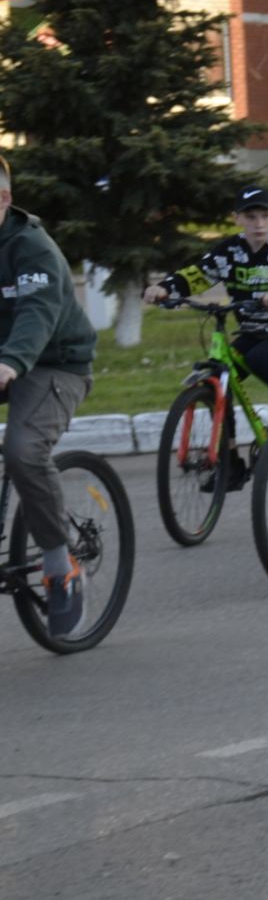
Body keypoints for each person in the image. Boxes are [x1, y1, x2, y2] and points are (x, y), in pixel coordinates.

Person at [144, 187, 268, 469]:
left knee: (259, 359)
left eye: (264, 216)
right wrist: (164, 288)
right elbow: (197, 275)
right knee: (220, 376)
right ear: (237, 219)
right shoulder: (230, 250)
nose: (258, 223)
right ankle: (230, 458)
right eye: (250, 216)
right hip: (252, 330)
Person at [0, 152, 96, 637]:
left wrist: (11, 362)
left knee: (22, 449)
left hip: (54, 364)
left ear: (3, 199)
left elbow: (37, 313)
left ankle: (61, 568)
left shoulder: (30, 246)